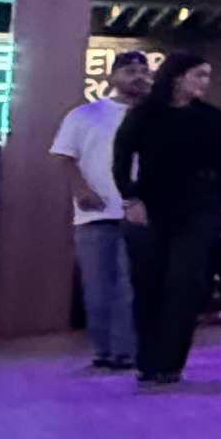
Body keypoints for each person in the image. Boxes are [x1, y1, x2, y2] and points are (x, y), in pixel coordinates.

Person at [109, 52, 221, 386]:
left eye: (207, 76)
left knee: (185, 282)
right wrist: (130, 197)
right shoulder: (144, 114)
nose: (205, 82)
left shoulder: (211, 117)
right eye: (199, 75)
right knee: (149, 283)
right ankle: (148, 359)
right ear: (177, 77)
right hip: (152, 206)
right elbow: (120, 157)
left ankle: (171, 362)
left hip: (201, 207)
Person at [51, 50, 152, 370]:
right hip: (95, 212)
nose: (137, 75)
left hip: (140, 211)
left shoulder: (156, 117)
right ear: (112, 77)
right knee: (97, 287)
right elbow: (64, 156)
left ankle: (126, 351)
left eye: (142, 70)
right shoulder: (85, 114)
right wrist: (80, 189)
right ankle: (103, 348)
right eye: (129, 70)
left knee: (131, 286)